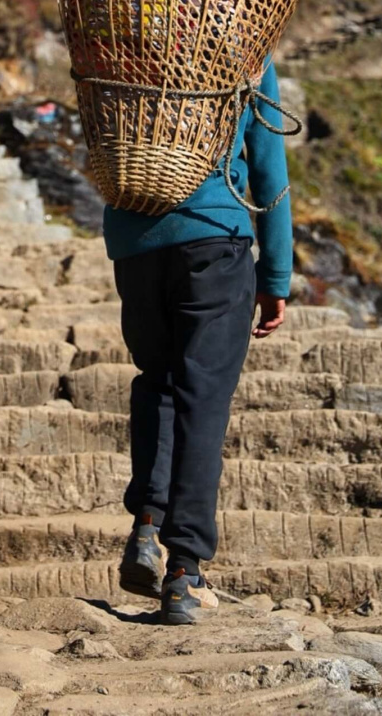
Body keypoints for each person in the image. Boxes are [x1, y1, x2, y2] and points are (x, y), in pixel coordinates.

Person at [105, 60, 292, 626]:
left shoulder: (120, 42)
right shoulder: (243, 47)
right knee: (203, 398)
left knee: (157, 381)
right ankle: (185, 568)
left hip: (136, 243)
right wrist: (277, 275)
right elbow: (267, 163)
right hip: (214, 238)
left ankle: (145, 528)